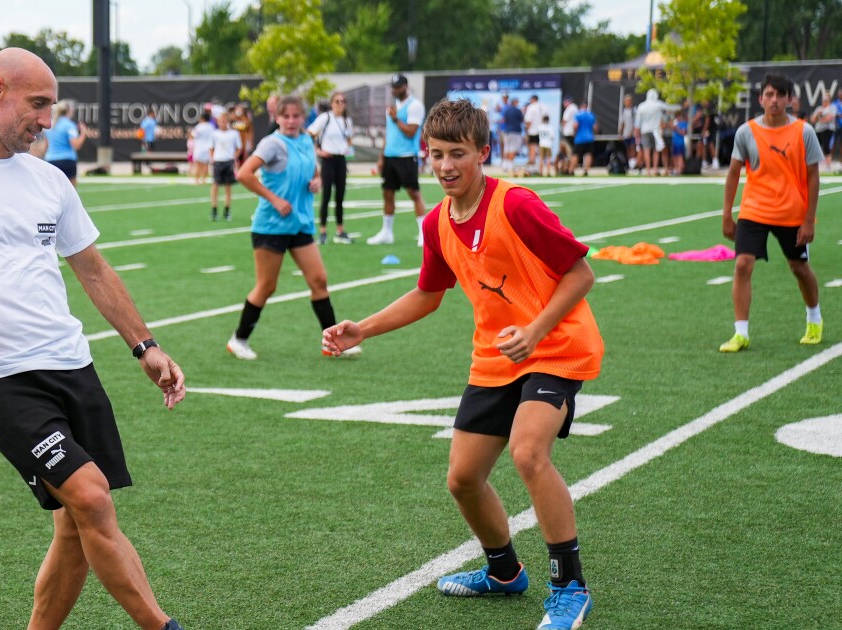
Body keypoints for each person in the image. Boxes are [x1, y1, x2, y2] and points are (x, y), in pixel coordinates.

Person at [0, 48, 187, 630]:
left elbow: (94, 270)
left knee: (75, 525)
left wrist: (145, 347)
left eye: (51, 106)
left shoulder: (50, 180)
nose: (48, 120)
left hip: (72, 363)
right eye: (38, 104)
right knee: (93, 498)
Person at [323, 98, 603, 630]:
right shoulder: (436, 223)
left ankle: (569, 586)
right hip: (496, 358)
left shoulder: (516, 204)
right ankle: (503, 571)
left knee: (527, 453)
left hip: (559, 346)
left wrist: (536, 330)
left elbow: (580, 275)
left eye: (458, 154)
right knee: (463, 478)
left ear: (483, 153)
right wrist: (363, 328)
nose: (446, 166)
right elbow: (428, 295)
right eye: (436, 155)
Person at [227, 95, 359, 361]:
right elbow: (243, 174)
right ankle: (238, 340)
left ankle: (331, 342)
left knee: (319, 280)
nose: (290, 121)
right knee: (266, 286)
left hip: (300, 224)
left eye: (295, 116)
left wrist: (317, 182)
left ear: (303, 118)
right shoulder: (272, 143)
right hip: (271, 227)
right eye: (285, 116)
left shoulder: (307, 141)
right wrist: (274, 199)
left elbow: (313, 172)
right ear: (277, 118)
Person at [720, 73, 824, 352]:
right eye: (769, 94)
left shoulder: (804, 132)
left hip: (792, 213)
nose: (774, 100)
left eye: (780, 95)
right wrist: (727, 215)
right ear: (761, 98)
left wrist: (809, 220)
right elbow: (733, 174)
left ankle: (814, 318)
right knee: (742, 264)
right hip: (754, 210)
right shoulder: (746, 132)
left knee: (799, 268)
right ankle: (740, 333)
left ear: (790, 99)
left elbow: (814, 177)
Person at [369, 73, 427, 246]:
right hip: (390, 156)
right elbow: (389, 133)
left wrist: (395, 120)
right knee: (387, 193)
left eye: (398, 87)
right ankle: (387, 232)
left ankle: (423, 233)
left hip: (406, 156)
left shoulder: (414, 105)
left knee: (414, 193)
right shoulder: (393, 106)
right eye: (393, 87)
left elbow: (411, 131)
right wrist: (381, 156)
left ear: (405, 86)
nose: (395, 90)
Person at [307, 91, 354, 244]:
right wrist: (318, 150)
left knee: (340, 196)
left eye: (342, 101)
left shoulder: (347, 120)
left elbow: (349, 138)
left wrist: (346, 147)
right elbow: (310, 133)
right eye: (337, 101)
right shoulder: (325, 118)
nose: (340, 104)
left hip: (341, 160)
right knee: (326, 196)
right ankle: (323, 232)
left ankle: (340, 231)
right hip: (328, 160)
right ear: (332, 103)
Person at [37, 100, 87, 186]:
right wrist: (83, 133)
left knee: (53, 190)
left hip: (51, 160)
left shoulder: (51, 125)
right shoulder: (69, 125)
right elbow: (76, 145)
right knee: (71, 191)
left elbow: (44, 147)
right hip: (67, 160)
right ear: (69, 111)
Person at [209, 112, 243, 221]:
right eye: (220, 121)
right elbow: (211, 147)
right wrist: (212, 158)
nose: (222, 124)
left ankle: (227, 210)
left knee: (228, 186)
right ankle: (214, 209)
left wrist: (234, 157)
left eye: (224, 121)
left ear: (228, 122)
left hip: (228, 161)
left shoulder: (234, 133)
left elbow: (239, 147)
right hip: (218, 161)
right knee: (215, 185)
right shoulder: (214, 134)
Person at [810, 98, 835, 173]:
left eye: (826, 101)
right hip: (818, 130)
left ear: (829, 101)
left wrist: (821, 117)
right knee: (816, 147)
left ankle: (828, 166)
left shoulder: (831, 108)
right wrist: (818, 115)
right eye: (823, 100)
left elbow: (829, 119)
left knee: (826, 147)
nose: (824, 102)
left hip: (827, 130)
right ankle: (815, 166)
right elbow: (813, 119)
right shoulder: (819, 109)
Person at [501, 97, 525, 177]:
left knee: (507, 148)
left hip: (507, 131)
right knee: (512, 148)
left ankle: (505, 165)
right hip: (515, 131)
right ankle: (510, 166)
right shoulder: (517, 111)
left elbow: (504, 120)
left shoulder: (507, 110)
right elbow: (522, 120)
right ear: (515, 102)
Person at [572, 100, 597, 177]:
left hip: (580, 138)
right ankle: (586, 170)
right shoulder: (591, 115)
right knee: (588, 154)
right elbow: (595, 127)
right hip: (589, 137)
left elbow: (575, 126)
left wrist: (575, 133)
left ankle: (571, 170)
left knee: (576, 154)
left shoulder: (578, 115)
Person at [190, 110, 214, 185]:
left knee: (198, 165)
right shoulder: (211, 127)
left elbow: (193, 136)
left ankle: (197, 180)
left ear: (202, 118)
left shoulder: (199, 127)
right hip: (208, 148)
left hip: (199, 147)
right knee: (205, 165)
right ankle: (204, 179)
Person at [619, 94, 637, 170]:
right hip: (626, 134)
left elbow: (635, 123)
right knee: (628, 149)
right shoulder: (623, 112)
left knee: (633, 148)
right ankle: (630, 164)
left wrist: (632, 132)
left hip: (632, 134)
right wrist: (620, 133)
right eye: (626, 101)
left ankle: (634, 164)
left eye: (629, 101)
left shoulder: (634, 111)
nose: (627, 102)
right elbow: (622, 123)